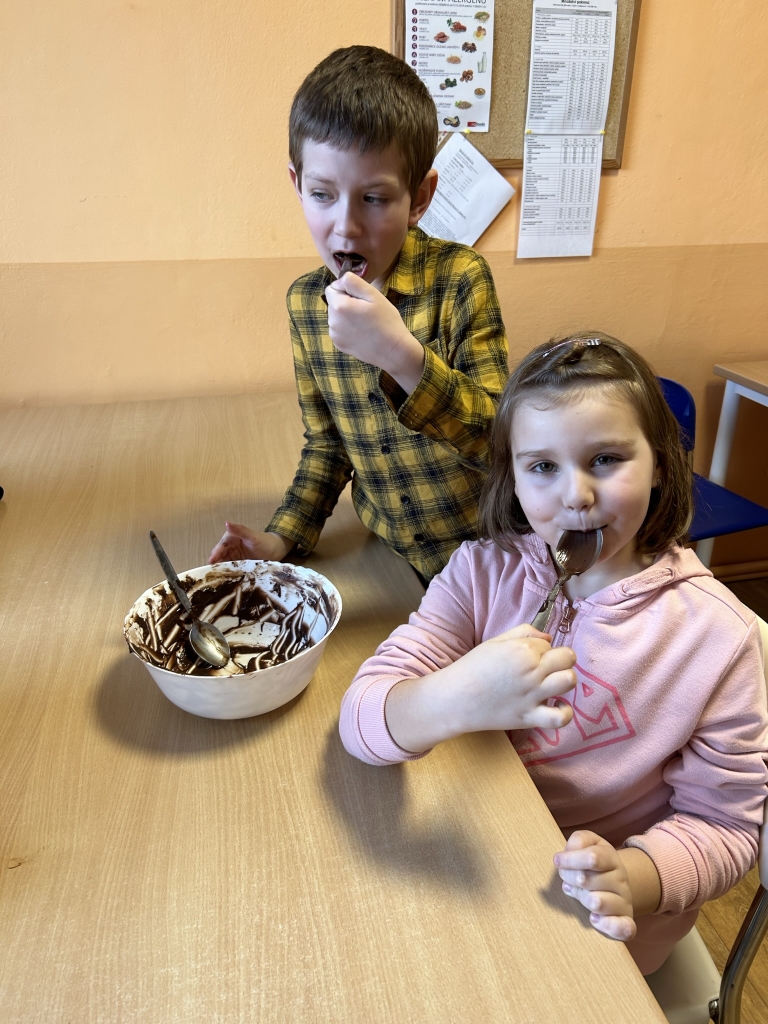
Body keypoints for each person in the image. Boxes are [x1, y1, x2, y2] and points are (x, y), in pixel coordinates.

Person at [339, 332, 768, 975]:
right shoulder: (480, 575)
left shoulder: (716, 638)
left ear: (659, 463)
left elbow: (726, 827)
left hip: (597, 927)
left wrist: (633, 876)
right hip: (471, 859)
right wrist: (453, 697)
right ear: (512, 477)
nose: (576, 496)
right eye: (543, 467)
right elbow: (361, 717)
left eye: (605, 459)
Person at [209, 45, 508, 584]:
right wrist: (281, 538)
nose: (345, 227)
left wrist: (402, 356)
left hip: (488, 551)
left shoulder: (461, 280)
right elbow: (328, 445)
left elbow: (502, 443)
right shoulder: (306, 305)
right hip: (390, 554)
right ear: (298, 185)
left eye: (374, 199)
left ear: (419, 198)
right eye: (322, 194)